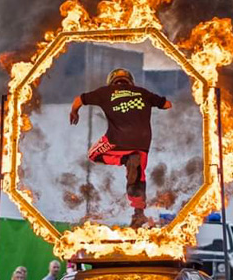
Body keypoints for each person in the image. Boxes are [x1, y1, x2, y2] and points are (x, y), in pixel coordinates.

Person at [69, 68, 173, 228]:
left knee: (93, 155)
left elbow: (78, 100)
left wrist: (74, 111)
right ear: (130, 81)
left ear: (112, 81)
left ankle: (125, 159)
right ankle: (138, 214)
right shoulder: (143, 92)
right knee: (138, 177)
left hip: (117, 139)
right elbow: (167, 105)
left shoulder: (105, 92)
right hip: (142, 143)